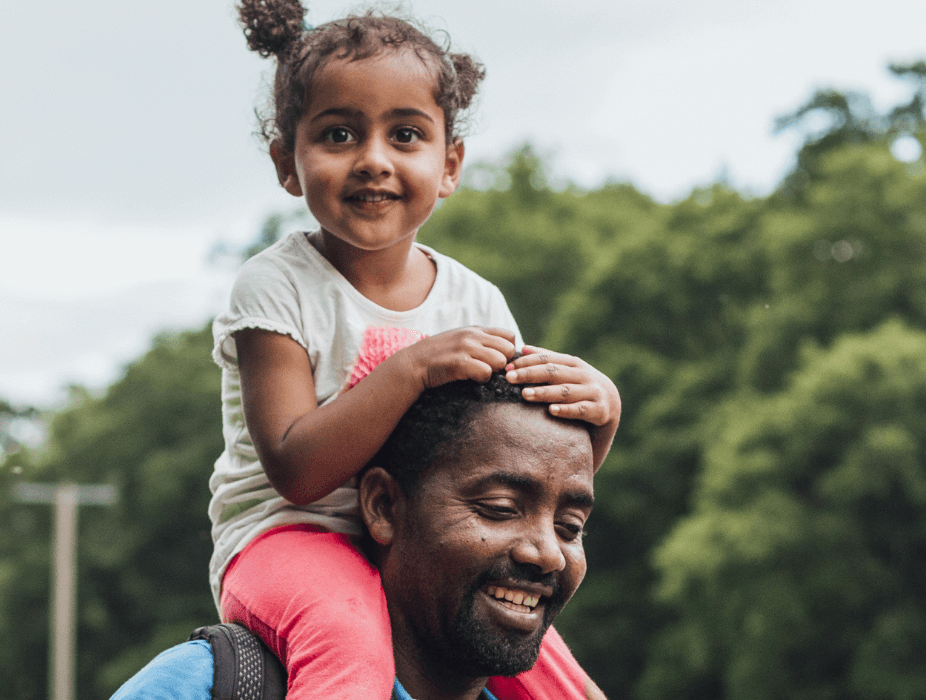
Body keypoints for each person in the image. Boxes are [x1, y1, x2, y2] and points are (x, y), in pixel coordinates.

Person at [210, 2, 618, 697]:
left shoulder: (474, 301)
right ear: (287, 162)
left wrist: (602, 413)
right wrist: (412, 369)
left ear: (449, 163)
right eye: (339, 134)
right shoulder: (274, 287)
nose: (373, 159)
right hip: (289, 541)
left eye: (405, 135)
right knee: (348, 650)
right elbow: (296, 471)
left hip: (423, 549)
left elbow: (525, 463)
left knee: (560, 681)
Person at [115, 375, 598, 700]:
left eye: (570, 527)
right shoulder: (200, 686)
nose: (547, 554)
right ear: (384, 506)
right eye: (500, 510)